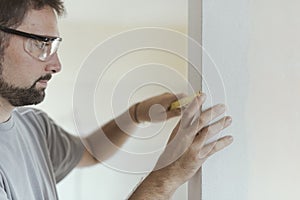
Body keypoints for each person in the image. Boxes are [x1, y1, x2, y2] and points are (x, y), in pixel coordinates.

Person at [0, 0, 233, 199]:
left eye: (53, 45)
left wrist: (136, 114)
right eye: (41, 44)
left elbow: (91, 152)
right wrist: (167, 177)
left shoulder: (34, 127)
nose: (56, 65)